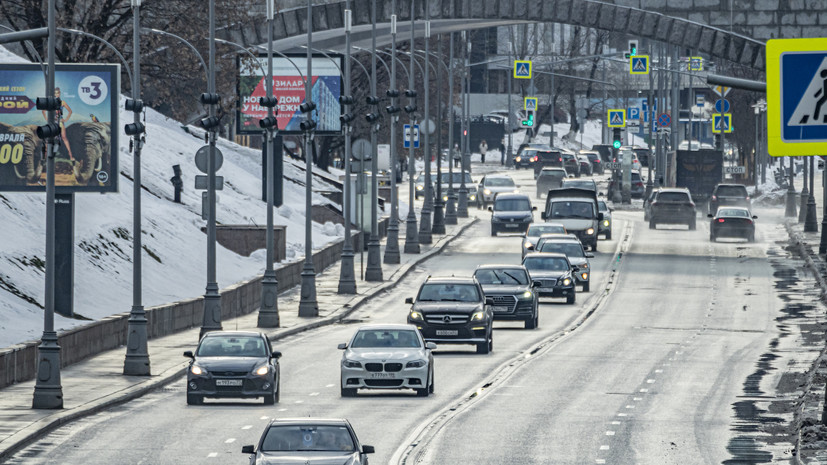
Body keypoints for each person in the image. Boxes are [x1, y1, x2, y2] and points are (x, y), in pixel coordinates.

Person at [42, 87, 74, 162]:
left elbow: (70, 111)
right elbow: (43, 111)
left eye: (58, 93)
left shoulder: (62, 102)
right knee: (49, 138)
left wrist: (65, 119)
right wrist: (47, 119)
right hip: (52, 122)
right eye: (55, 93)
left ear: (60, 93)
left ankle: (71, 156)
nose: (57, 94)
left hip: (60, 122)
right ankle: (44, 158)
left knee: (64, 137)